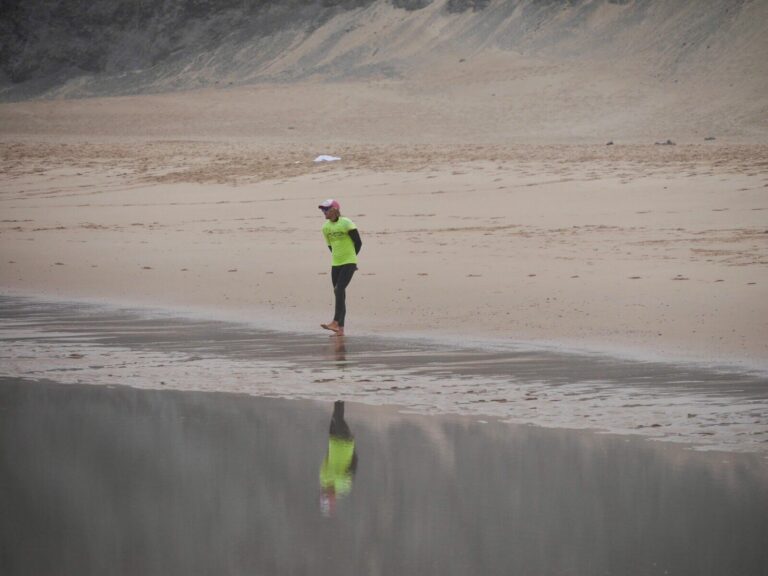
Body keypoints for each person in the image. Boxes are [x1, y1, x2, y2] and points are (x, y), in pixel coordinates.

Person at [318, 199, 362, 337]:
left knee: (339, 289)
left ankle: (336, 322)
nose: (323, 212)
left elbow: (358, 242)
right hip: (336, 263)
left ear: (335, 210)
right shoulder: (325, 227)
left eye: (326, 209)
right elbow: (331, 247)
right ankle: (340, 330)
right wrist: (339, 258)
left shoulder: (346, 223)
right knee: (339, 293)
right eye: (322, 209)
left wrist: (352, 260)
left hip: (349, 261)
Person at [319, 400, 358, 517]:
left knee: (336, 416)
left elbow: (327, 458)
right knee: (338, 416)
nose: (327, 494)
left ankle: (340, 395)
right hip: (345, 443)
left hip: (334, 441)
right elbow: (353, 466)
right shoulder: (344, 486)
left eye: (325, 495)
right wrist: (351, 447)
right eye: (329, 498)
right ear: (333, 501)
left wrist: (331, 441)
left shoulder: (323, 478)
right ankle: (340, 394)